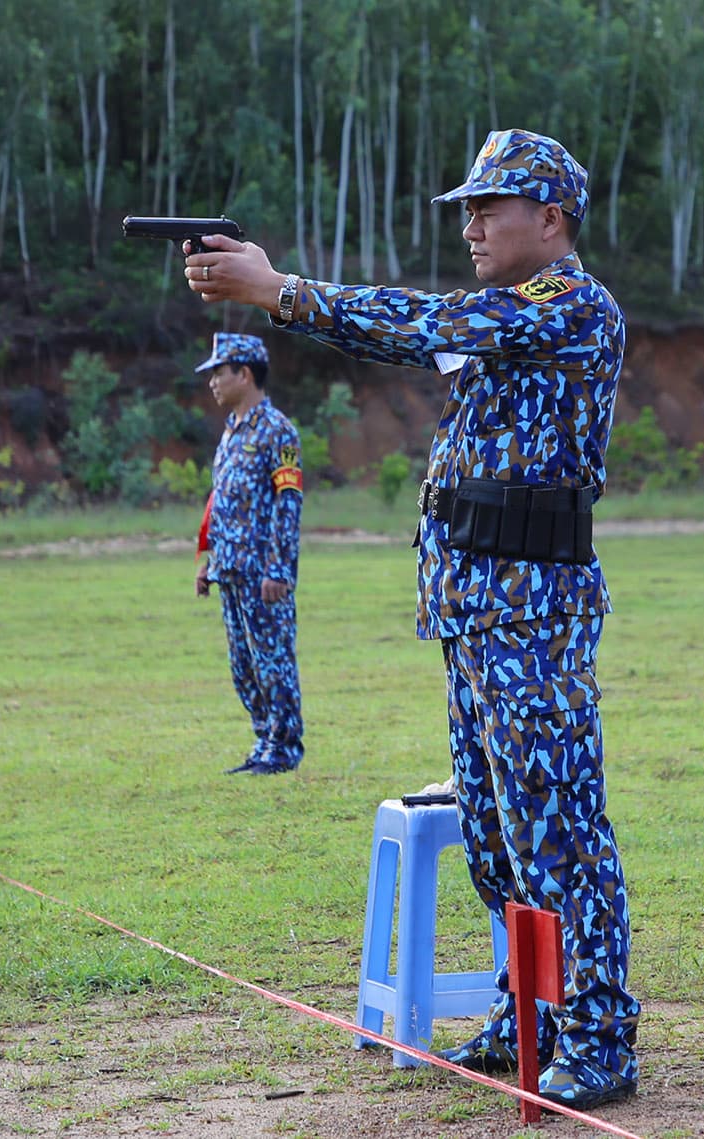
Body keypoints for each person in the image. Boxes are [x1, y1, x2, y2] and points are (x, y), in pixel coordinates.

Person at [182, 129, 638, 1108]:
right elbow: (409, 331)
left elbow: (413, 319)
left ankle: (599, 1033)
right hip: (476, 609)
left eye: (489, 206)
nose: (470, 225)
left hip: (532, 610)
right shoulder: (501, 317)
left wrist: (276, 290)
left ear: (550, 217)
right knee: (496, 833)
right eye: (465, 208)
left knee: (558, 827)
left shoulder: (566, 303)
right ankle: (531, 1011)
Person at [193, 332, 304, 776]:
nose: (212, 382)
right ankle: (264, 742)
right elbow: (222, 500)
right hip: (231, 568)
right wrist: (209, 561)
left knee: (273, 662)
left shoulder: (278, 430)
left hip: (263, 574)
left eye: (219, 373)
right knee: (243, 666)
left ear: (244, 374)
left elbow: (288, 503)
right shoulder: (232, 431)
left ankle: (284, 748)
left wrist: (280, 569)